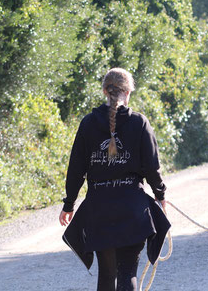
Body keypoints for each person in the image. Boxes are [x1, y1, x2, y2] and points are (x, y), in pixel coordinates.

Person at [59, 68, 167, 291]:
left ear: (104, 91)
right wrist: (160, 194)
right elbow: (152, 167)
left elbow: (76, 168)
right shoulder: (139, 123)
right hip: (133, 210)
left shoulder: (88, 123)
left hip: (99, 211)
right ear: (128, 92)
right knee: (128, 272)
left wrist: (69, 204)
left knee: (107, 276)